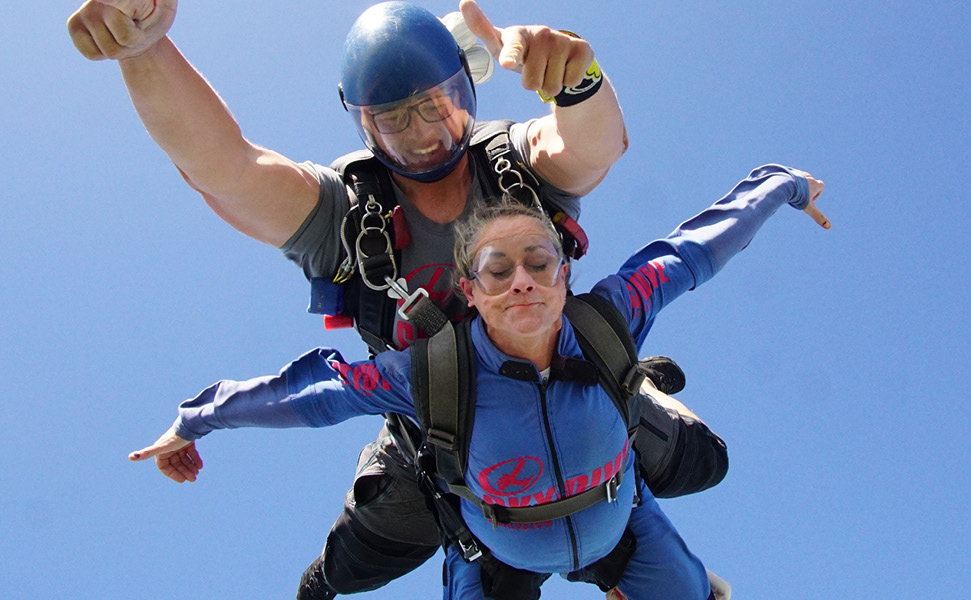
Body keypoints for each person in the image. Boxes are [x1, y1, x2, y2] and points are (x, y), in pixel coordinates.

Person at [67, 1, 772, 597]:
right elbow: (227, 168)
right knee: (349, 564)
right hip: (441, 433)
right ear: (365, 128)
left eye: (439, 107)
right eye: (396, 121)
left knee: (700, 461)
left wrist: (577, 79)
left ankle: (634, 399)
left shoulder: (516, 164)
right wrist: (147, 50)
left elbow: (593, 146)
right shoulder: (345, 213)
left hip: (578, 390)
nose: (427, 134)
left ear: (467, 91)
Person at [131, 164, 828, 600]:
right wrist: (196, 419)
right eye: (499, 268)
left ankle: (638, 402)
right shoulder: (433, 370)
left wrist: (787, 186)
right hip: (493, 551)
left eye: (539, 261)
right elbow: (313, 393)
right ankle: (328, 576)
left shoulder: (612, 315)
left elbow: (700, 246)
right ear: (471, 286)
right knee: (358, 559)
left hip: (621, 520)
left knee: (698, 557)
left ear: (564, 274)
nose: (522, 279)